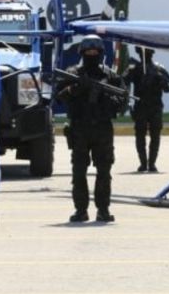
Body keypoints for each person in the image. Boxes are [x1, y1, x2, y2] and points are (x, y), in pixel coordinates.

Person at [57, 35, 125, 223]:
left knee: (104, 171)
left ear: (101, 53)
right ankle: (81, 210)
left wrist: (105, 96)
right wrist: (76, 89)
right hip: (79, 129)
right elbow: (59, 96)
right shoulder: (73, 73)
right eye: (88, 53)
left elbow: (122, 102)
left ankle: (103, 209)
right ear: (82, 53)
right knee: (79, 172)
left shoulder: (110, 76)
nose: (92, 56)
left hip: (102, 129)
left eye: (95, 53)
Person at [124, 46, 169, 172]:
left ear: (152, 53)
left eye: (147, 52)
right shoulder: (134, 69)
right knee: (140, 135)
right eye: (141, 52)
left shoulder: (159, 69)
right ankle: (143, 163)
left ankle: (152, 163)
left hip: (155, 106)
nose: (144, 55)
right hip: (140, 106)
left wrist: (162, 82)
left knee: (155, 135)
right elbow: (124, 85)